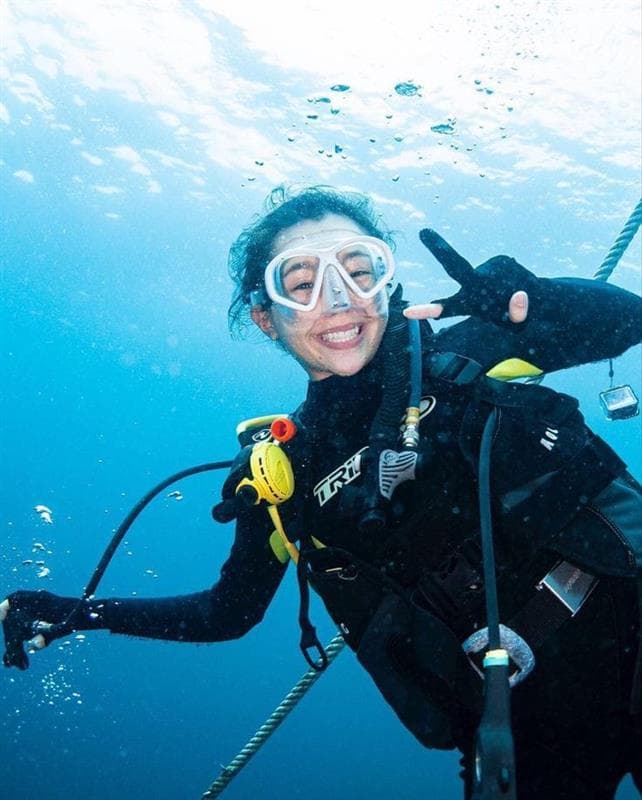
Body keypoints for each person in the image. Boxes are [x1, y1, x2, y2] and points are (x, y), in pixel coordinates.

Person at [3, 185, 642, 799]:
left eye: (360, 273)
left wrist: (545, 299)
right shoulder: (281, 474)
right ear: (265, 317)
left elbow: (629, 321)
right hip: (520, 729)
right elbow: (229, 612)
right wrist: (79, 612)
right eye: (302, 284)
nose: (338, 302)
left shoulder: (469, 351)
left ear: (387, 284)